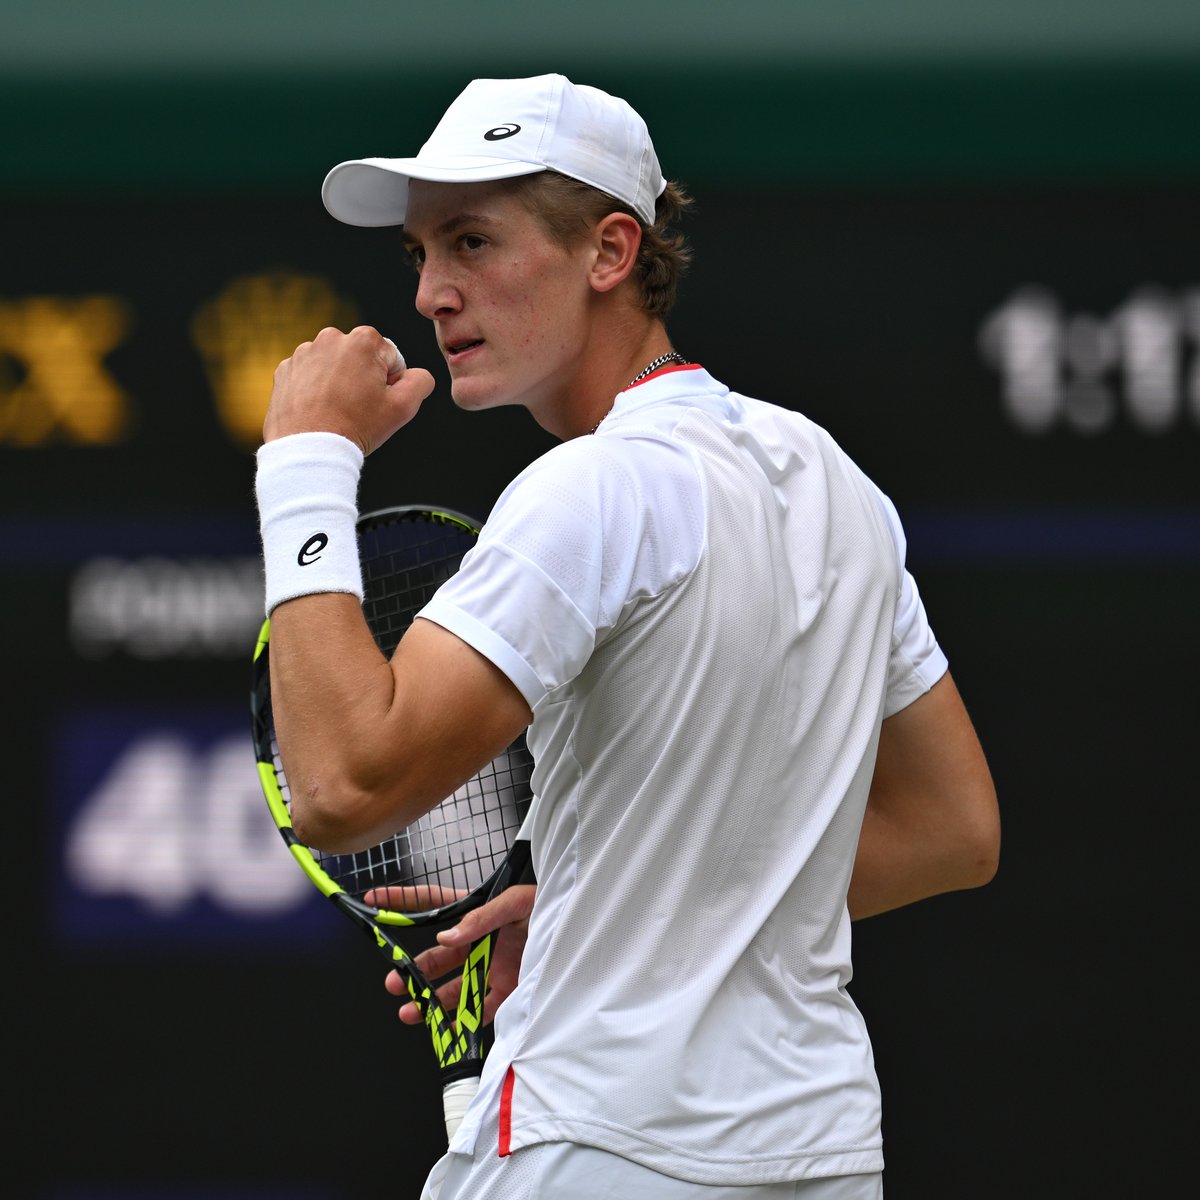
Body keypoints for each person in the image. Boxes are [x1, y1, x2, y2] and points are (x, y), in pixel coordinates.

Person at [255, 73, 999, 1200]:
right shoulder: (836, 483)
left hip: (592, 1146)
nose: (432, 294)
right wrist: (610, 902)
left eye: (470, 241)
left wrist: (305, 461)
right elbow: (954, 830)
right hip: (819, 1159)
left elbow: (347, 786)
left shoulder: (591, 489)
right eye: (419, 255)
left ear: (611, 251)